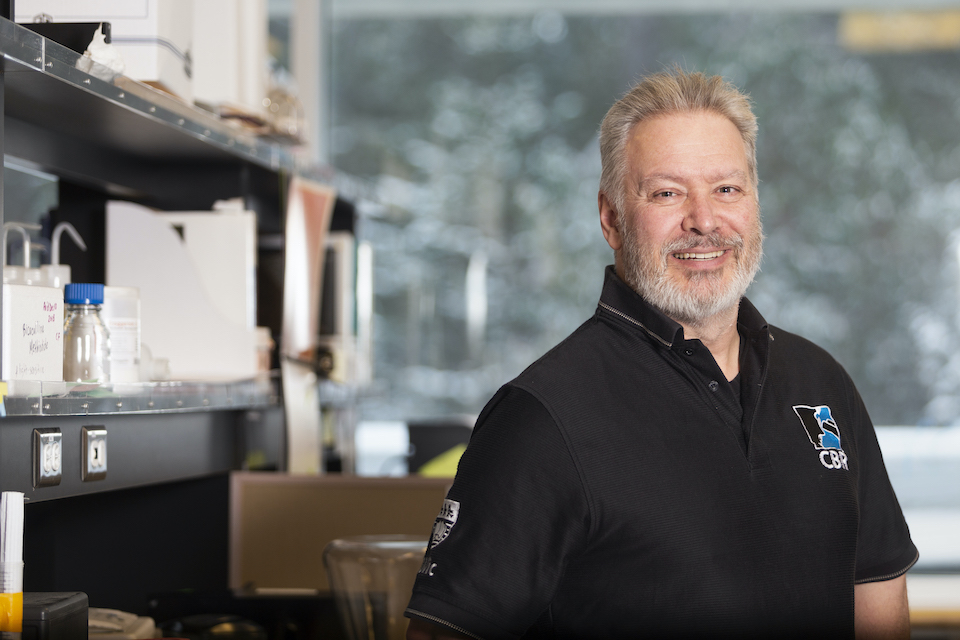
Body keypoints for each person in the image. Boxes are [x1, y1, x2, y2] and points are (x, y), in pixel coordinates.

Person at [404, 69, 918, 639]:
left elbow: (877, 593)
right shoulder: (541, 417)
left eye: (727, 189)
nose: (703, 220)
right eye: (667, 193)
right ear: (611, 219)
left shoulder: (822, 385)